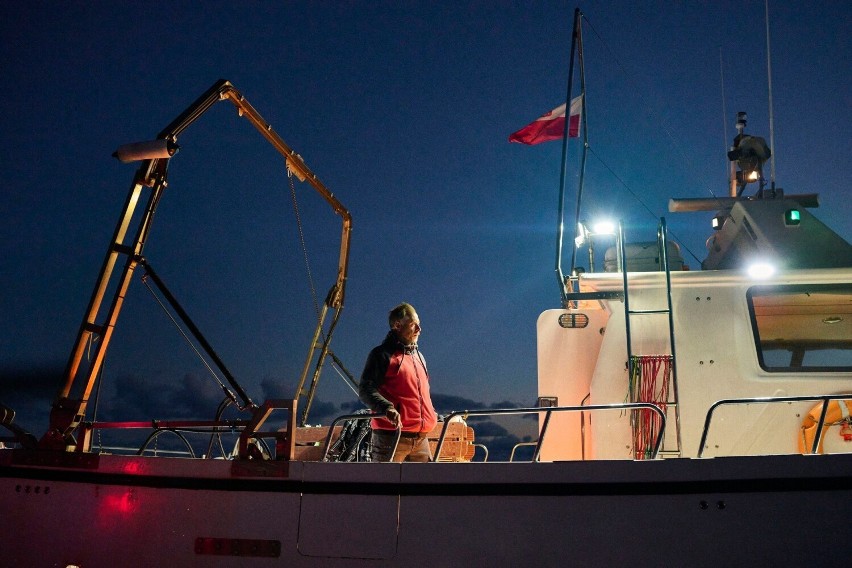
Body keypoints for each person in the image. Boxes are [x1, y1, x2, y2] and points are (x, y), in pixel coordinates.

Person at [358, 302, 438, 462]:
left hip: (421, 439)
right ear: (397, 325)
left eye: (419, 324)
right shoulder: (381, 355)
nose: (419, 329)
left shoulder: (419, 357)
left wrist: (431, 413)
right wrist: (387, 408)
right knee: (387, 486)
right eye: (413, 325)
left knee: (425, 486)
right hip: (391, 438)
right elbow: (366, 389)